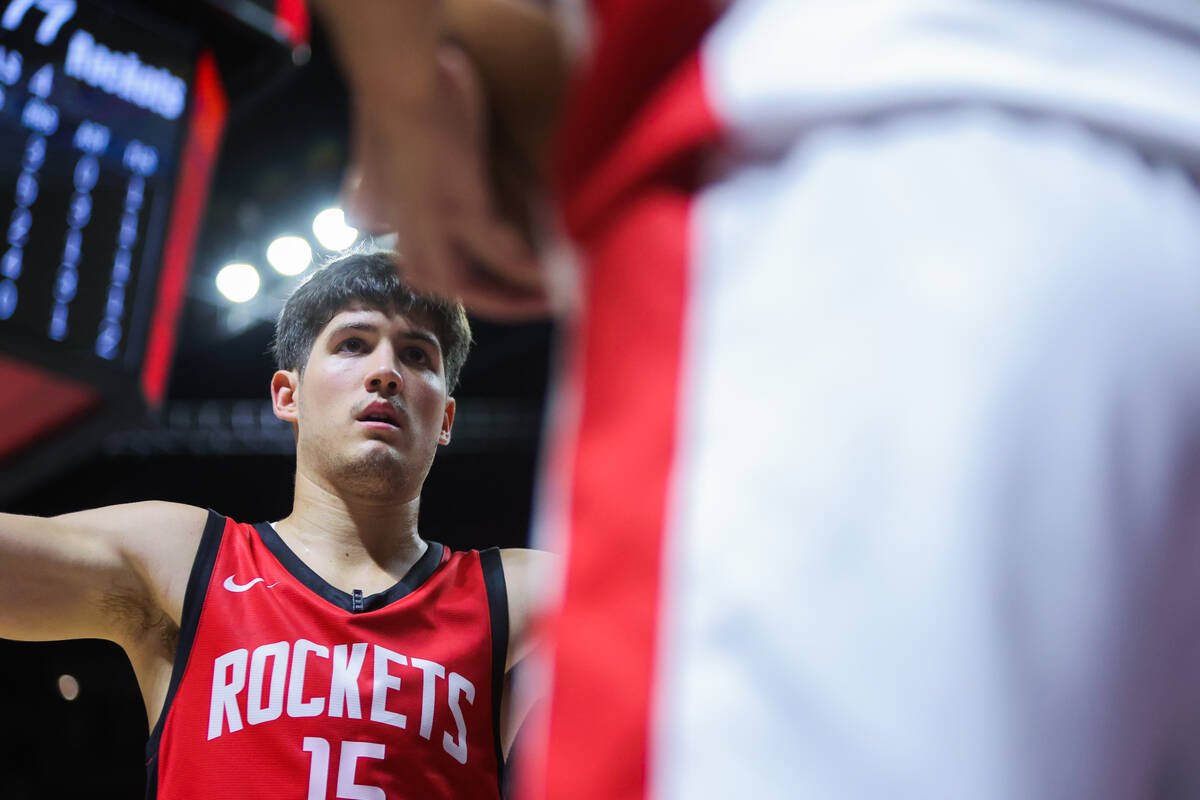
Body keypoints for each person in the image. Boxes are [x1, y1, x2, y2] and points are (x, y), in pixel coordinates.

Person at [312, 2, 1200, 798]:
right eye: (352, 346)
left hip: (871, 154)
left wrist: (397, 85)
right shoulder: (199, 549)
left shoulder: (494, 588)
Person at [0, 250, 549, 798]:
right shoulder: (186, 559)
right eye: (353, 344)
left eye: (416, 355)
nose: (386, 372)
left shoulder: (518, 594)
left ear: (446, 419)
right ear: (287, 395)